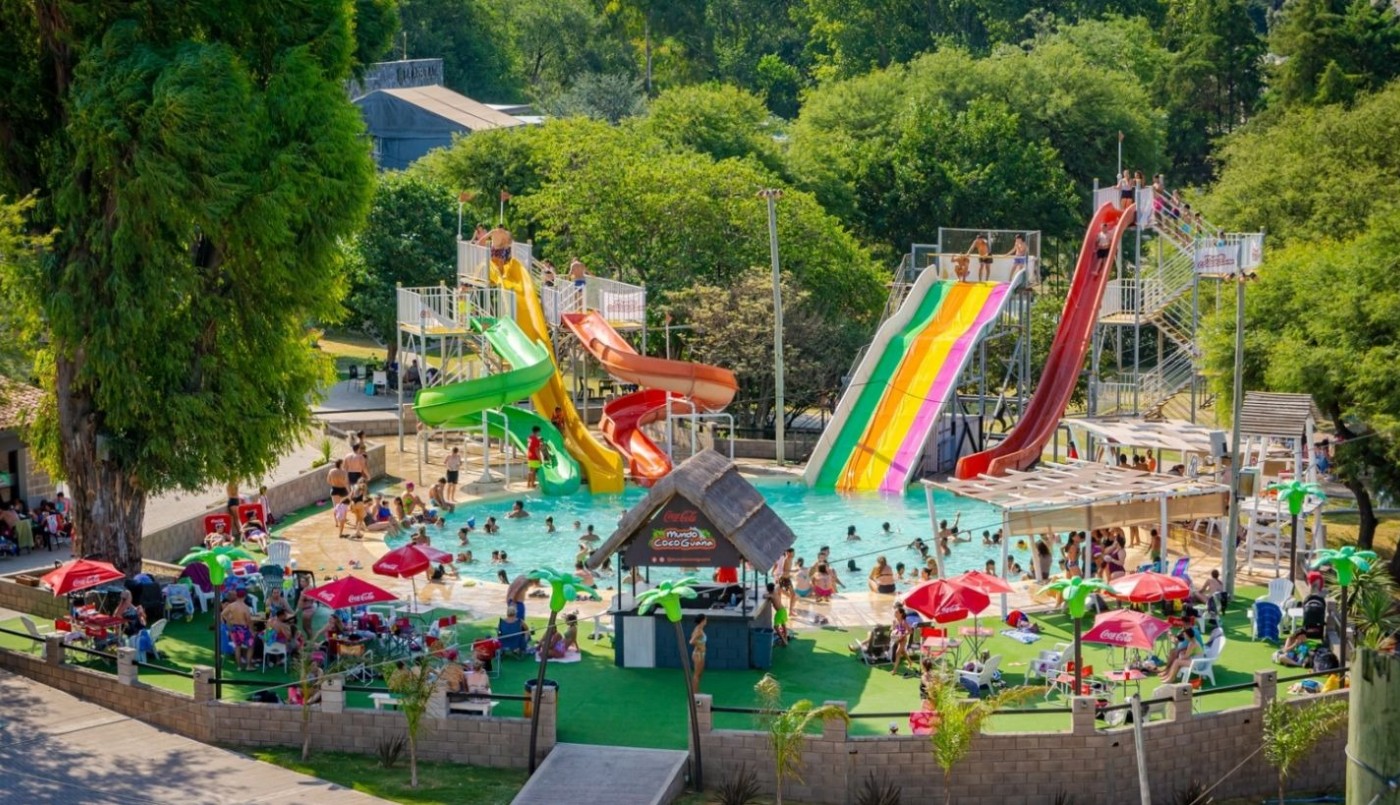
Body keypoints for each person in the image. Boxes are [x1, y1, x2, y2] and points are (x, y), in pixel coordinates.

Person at [223, 589, 256, 671]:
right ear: (244, 596)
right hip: (243, 628)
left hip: (234, 628)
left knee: (237, 647)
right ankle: (248, 666)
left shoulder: (231, 606)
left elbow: (223, 614)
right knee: (251, 646)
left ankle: (239, 666)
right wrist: (252, 631)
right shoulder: (245, 608)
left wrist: (229, 621)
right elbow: (249, 621)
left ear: (237, 595)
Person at [690, 614, 708, 689]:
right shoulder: (698, 631)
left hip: (701, 654)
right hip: (698, 654)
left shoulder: (700, 629)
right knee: (696, 674)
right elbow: (691, 641)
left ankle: (697, 692)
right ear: (703, 620)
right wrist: (700, 646)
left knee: (699, 674)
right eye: (706, 619)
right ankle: (694, 693)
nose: (706, 621)